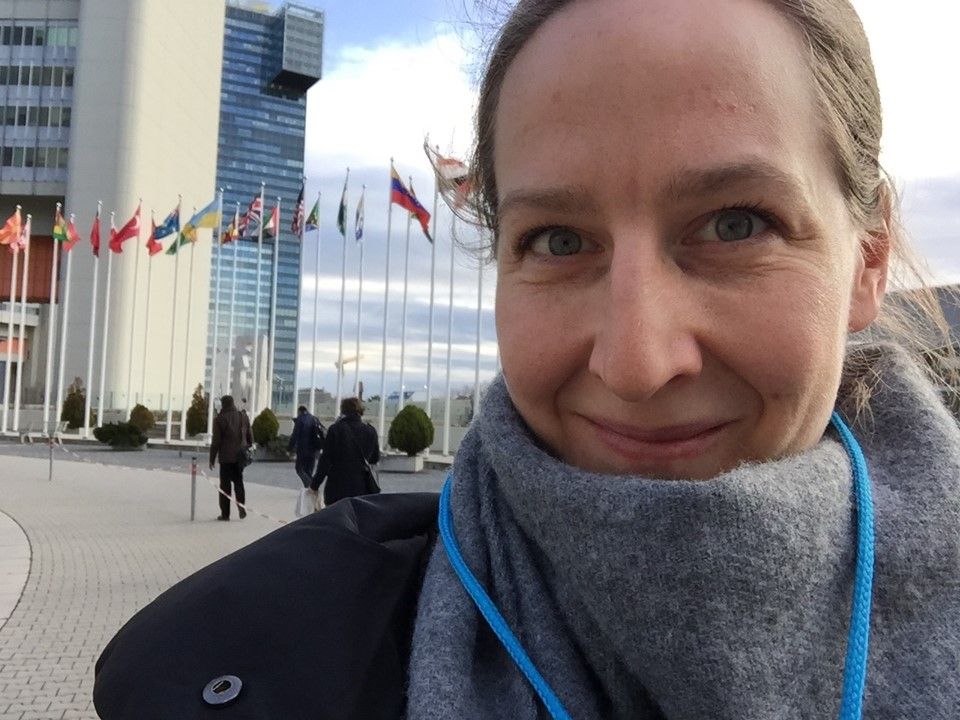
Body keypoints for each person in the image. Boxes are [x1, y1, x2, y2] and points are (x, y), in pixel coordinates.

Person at [94, 1, 960, 717]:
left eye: (736, 224)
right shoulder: (230, 665)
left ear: (870, 254)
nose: (635, 362)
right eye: (558, 239)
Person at [309, 397, 380, 506]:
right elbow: (375, 458)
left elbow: (325, 461)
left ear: (343, 410)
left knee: (337, 520)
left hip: (337, 486)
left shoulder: (335, 429)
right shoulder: (371, 431)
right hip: (362, 487)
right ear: (361, 411)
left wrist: (315, 485)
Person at [209, 394, 252, 521]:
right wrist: (247, 446)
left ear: (223, 404)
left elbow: (216, 441)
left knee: (225, 486)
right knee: (239, 482)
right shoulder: (243, 416)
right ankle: (241, 507)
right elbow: (250, 435)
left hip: (226, 458)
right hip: (240, 457)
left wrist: (212, 459)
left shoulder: (220, 419)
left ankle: (225, 514)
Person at [287, 405, 324, 488]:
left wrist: (289, 448)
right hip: (314, 450)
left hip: (303, 448)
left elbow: (295, 435)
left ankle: (311, 487)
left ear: (299, 411)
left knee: (299, 469)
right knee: (308, 471)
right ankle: (310, 488)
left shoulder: (300, 420)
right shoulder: (314, 418)